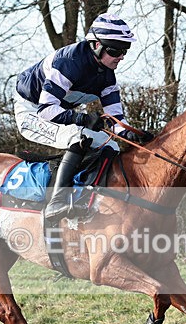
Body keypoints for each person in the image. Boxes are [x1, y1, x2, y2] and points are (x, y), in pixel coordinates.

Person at [14, 12, 155, 222]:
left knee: (111, 147)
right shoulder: (69, 62)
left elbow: (116, 121)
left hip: (57, 111)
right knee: (78, 136)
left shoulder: (108, 76)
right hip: (32, 111)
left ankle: (90, 197)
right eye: (115, 50)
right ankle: (56, 203)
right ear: (96, 45)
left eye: (125, 50)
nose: (121, 56)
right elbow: (46, 110)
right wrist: (83, 119)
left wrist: (133, 135)